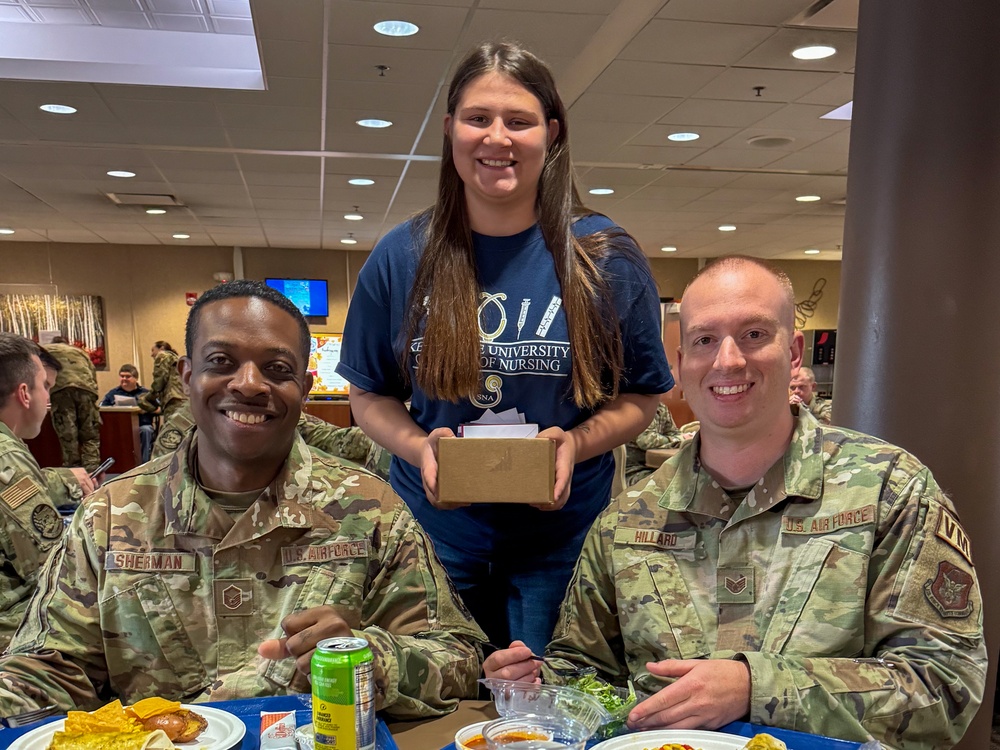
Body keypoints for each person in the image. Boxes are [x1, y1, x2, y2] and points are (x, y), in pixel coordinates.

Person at [484, 256, 986, 749]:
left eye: (753, 334)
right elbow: (587, 672)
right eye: (705, 340)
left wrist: (756, 690)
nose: (728, 360)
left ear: (792, 352)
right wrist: (536, 684)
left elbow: (944, 684)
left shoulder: (888, 490)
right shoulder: (628, 518)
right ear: (681, 365)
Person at [0, 280, 485, 718]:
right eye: (221, 362)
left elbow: (459, 659)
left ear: (304, 389)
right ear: (187, 377)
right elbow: (46, 668)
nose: (249, 384)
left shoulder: (370, 511)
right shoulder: (109, 517)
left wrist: (365, 657)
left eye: (276, 369)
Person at [336, 41, 673, 653]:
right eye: (478, 119)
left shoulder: (604, 256)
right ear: (449, 131)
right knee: (440, 700)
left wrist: (575, 442)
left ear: (551, 132)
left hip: (563, 538)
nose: (497, 138)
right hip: (436, 536)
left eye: (518, 121)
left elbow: (641, 397)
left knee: (547, 708)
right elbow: (369, 395)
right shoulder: (401, 256)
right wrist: (420, 447)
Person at [0, 334, 96, 650]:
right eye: (46, 386)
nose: (49, 399)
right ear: (24, 393)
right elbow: (53, 570)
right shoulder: (7, 457)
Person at [151, 398, 381, 475]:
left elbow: (334, 439)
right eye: (223, 362)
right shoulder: (186, 422)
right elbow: (160, 481)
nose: (248, 383)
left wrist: (390, 434)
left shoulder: (276, 412)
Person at [43, 336, 101, 472]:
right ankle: (93, 470)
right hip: (86, 389)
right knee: (90, 434)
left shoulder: (46, 350)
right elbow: (92, 374)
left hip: (61, 390)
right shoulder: (80, 352)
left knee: (69, 434)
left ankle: (73, 471)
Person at [100, 364, 155, 462]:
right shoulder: (112, 393)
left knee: (146, 430)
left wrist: (146, 409)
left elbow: (160, 409)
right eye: (122, 376)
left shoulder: (146, 393)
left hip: (141, 426)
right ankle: (117, 465)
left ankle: (144, 464)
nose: (124, 379)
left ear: (136, 378)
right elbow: (102, 408)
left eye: (128, 376)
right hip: (120, 428)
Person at [623, 402, 686, 487]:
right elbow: (646, 441)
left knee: (689, 477)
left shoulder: (661, 407)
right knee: (679, 482)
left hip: (655, 468)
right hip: (633, 471)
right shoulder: (637, 407)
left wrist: (674, 440)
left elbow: (674, 433)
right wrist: (674, 440)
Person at [138, 340, 187, 425]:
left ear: (161, 348)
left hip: (173, 400)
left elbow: (160, 380)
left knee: (172, 431)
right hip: (184, 399)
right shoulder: (176, 359)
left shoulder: (162, 355)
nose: (151, 354)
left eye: (153, 350)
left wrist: (148, 398)